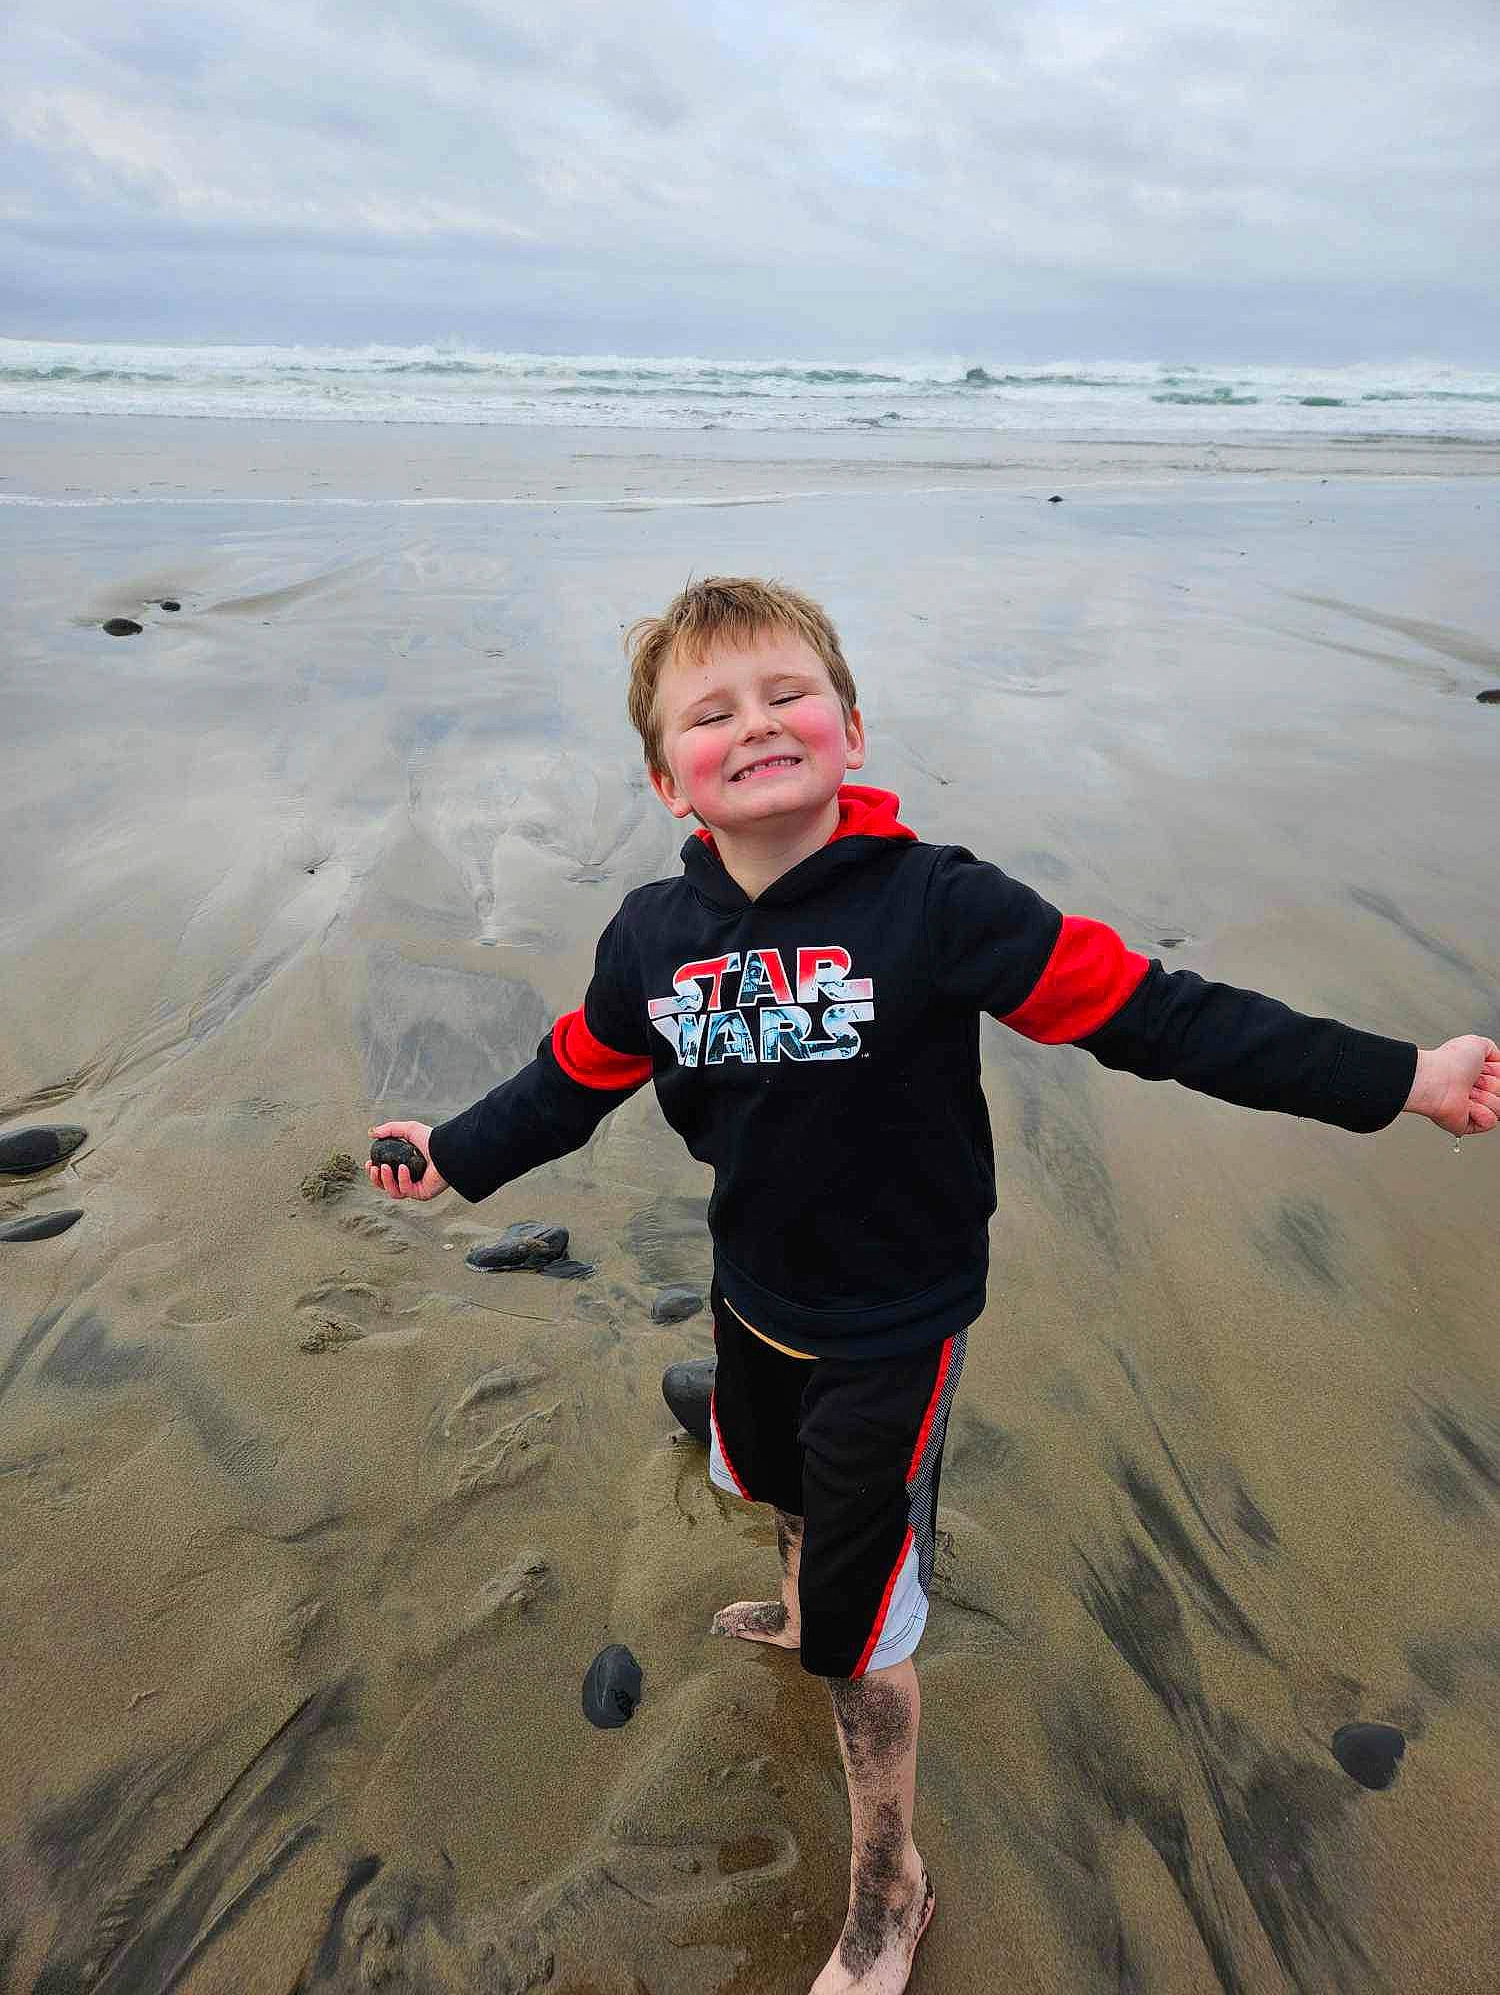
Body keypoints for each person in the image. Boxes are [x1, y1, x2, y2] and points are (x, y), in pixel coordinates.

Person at [368, 575, 1498, 1995]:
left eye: (788, 693)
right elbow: (571, 1077)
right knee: (766, 1486)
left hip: (894, 1332)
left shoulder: (937, 905)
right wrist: (453, 1157)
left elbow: (1163, 1017)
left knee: (861, 1634)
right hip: (753, 1295)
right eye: (711, 712)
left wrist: (1404, 1079)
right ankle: (800, 1594)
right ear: (669, 780)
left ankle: (888, 1882)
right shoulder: (652, 941)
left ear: (850, 721)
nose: (759, 722)